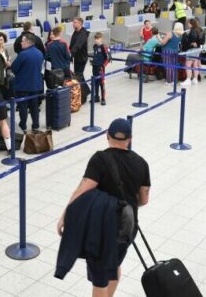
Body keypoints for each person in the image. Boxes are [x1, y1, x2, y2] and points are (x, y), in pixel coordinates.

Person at [56, 118, 150, 297]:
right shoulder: (142, 163)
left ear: (107, 136)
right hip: (127, 228)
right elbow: (144, 199)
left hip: (102, 231)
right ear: (130, 139)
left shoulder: (100, 159)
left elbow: (82, 190)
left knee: (99, 280)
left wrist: (65, 216)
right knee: (114, 266)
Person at [11, 35, 44, 133]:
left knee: (23, 107)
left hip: (23, 85)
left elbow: (14, 68)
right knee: (34, 106)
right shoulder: (39, 53)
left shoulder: (23, 54)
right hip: (35, 84)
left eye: (22, 41)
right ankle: (35, 125)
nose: (21, 43)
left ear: (28, 42)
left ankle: (23, 125)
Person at [181, 19, 204, 85]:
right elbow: (202, 40)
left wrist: (191, 42)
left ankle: (188, 79)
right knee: (195, 64)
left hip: (191, 50)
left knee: (188, 64)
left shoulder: (193, 31)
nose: (187, 24)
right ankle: (195, 79)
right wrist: (197, 43)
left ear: (191, 24)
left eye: (188, 23)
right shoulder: (200, 29)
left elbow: (193, 39)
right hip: (198, 49)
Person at [90, 32, 110, 105]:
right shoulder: (94, 46)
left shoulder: (103, 47)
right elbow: (96, 56)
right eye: (95, 39)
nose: (96, 40)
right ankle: (96, 97)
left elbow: (107, 59)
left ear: (101, 39)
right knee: (95, 82)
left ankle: (103, 98)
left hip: (100, 68)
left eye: (98, 39)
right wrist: (93, 62)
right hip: (94, 67)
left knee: (101, 83)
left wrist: (103, 66)